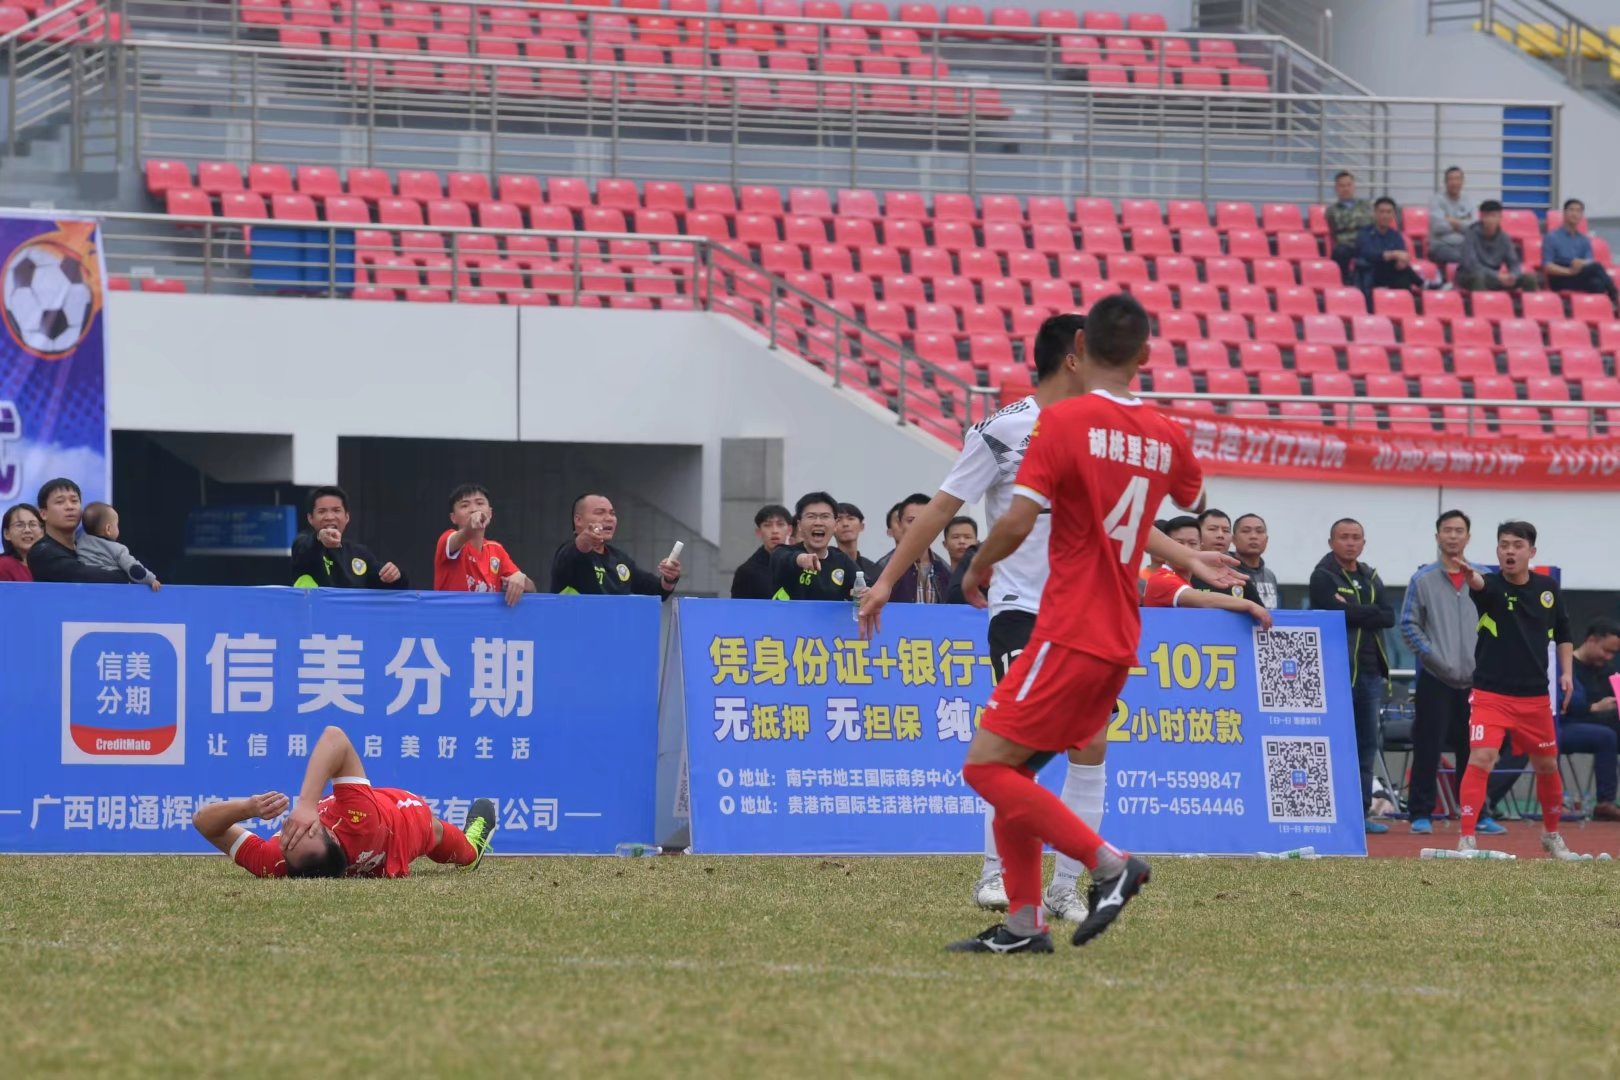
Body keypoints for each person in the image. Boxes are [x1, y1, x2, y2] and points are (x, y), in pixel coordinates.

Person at [946, 293, 1243, 955]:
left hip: (1066, 626)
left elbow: (1018, 520)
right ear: (1145, 354)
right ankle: (1024, 924)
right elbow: (1190, 496)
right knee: (1017, 772)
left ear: (1080, 350)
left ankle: (1109, 864)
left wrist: (975, 567)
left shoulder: (1062, 422)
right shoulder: (1165, 432)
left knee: (985, 768)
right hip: (1119, 634)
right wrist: (1187, 553)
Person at [861, 313, 1119, 923]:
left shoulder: (1105, 429)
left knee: (1091, 743)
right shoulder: (1003, 430)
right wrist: (887, 580)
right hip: (1022, 610)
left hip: (1087, 615)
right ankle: (994, 874)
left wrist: (1185, 563)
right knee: (1017, 751)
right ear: (1073, 358)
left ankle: (1065, 888)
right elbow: (939, 509)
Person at [194, 724, 498, 878]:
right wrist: (306, 805)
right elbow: (335, 737)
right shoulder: (359, 817)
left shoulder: (274, 862)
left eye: (287, 840)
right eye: (304, 832)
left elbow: (203, 822)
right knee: (441, 835)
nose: (290, 828)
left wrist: (247, 808)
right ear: (331, 832)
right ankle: (473, 849)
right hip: (403, 824)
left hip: (371, 824)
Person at [1454, 521, 1582, 859]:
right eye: (1504, 545)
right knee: (1482, 757)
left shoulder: (1547, 588)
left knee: (1547, 765)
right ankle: (1467, 838)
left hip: (1535, 697)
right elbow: (1480, 585)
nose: (1509, 551)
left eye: (1517, 545)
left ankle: (1551, 835)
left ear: (1531, 552)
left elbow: (1564, 632)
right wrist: (1471, 577)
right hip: (1490, 695)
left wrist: (1567, 674)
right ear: (1497, 551)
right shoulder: (1490, 585)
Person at [1399, 510, 1504, 837]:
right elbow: (1408, 624)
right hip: (1436, 677)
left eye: (1459, 531)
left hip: (1478, 680)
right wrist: (1433, 656)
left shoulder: (1486, 577)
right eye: (1447, 530)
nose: (1453, 536)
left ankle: (1478, 813)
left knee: (1475, 750)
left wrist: (1487, 660)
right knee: (1427, 747)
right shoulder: (1422, 579)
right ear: (1437, 536)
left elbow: (1503, 623)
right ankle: (1420, 813)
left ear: (1468, 537)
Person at [1308, 518, 1395, 834]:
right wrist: (1367, 611)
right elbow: (1334, 613)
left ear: (1363, 542)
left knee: (1366, 746)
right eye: (1344, 537)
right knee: (1334, 745)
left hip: (1370, 675)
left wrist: (1355, 609)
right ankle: (1329, 812)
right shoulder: (1323, 576)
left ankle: (1360, 814)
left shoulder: (1370, 576)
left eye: (1356, 537)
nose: (1350, 542)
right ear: (1331, 542)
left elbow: (1389, 616)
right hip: (1336, 673)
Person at [1142, 516, 1272, 627]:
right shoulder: (1161, 579)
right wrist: (1249, 605)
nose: (1186, 549)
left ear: (1201, 546)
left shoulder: (1186, 580)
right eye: (1179, 543)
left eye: (1192, 543)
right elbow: (1206, 600)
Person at [551, 493, 680, 601]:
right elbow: (575, 551)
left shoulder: (620, 560)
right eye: (600, 512)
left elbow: (658, 591)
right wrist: (585, 539)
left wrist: (670, 578)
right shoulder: (568, 554)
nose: (609, 518)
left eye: (612, 513)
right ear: (578, 520)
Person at [1551, 619, 1620, 821]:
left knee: (1609, 733)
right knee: (1606, 736)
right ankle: (1605, 802)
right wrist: (1594, 707)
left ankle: (1607, 803)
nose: (1608, 657)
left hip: (1599, 725)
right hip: (1564, 725)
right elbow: (1563, 704)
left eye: (1613, 653)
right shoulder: (1566, 667)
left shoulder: (1607, 671)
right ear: (1591, 640)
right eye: (1606, 650)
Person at [432, 483, 534, 606]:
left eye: (480, 503)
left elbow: (532, 589)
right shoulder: (447, 540)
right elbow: (463, 534)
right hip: (452, 616)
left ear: (490, 513)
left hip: (487, 618)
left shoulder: (496, 550)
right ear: (453, 517)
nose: (474, 509)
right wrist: (471, 526)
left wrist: (521, 578)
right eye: (465, 505)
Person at [291, 485, 407, 589]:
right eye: (322, 511)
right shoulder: (304, 545)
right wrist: (320, 537)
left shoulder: (360, 554)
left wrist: (395, 575)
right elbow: (303, 548)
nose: (330, 517)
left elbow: (390, 584)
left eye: (336, 510)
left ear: (347, 517)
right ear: (310, 518)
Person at [27, 478, 132, 584]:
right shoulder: (41, 552)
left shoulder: (91, 546)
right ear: (43, 514)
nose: (69, 507)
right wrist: (129, 575)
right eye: (60, 502)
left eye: (74, 501)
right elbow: (82, 575)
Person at [770, 491, 860, 601]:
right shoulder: (784, 552)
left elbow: (865, 584)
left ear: (835, 525)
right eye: (811, 516)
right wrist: (800, 559)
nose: (818, 523)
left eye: (825, 516)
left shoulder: (842, 560)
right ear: (799, 525)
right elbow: (780, 558)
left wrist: (863, 591)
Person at [873, 493, 951, 604]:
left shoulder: (945, 570)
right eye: (911, 521)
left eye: (925, 520)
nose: (918, 526)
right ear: (900, 524)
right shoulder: (883, 567)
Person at [1543, 198, 1618, 304]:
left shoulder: (1584, 240)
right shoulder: (1552, 237)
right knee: (1597, 267)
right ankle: (1615, 296)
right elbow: (1547, 266)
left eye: (1578, 211)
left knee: (1597, 283)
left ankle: (1600, 309)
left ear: (1581, 215)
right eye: (1571, 210)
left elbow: (1589, 260)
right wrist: (1569, 271)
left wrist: (1581, 263)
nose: (1575, 214)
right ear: (1564, 213)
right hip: (1560, 276)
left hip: (1578, 274)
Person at [1457, 200, 1537, 293]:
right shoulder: (1470, 234)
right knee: (1479, 277)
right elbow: (1471, 265)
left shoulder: (1504, 237)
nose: (1491, 220)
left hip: (1495, 277)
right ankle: (1483, 302)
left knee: (1529, 278)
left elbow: (1514, 263)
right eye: (1488, 216)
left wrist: (1512, 275)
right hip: (1470, 275)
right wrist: (1497, 275)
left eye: (1494, 216)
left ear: (1500, 218)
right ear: (1482, 217)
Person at [78, 502, 160, 591]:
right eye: (117, 525)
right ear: (108, 529)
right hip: (112, 589)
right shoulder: (118, 549)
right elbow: (134, 569)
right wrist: (150, 579)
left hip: (85, 588)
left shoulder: (79, 542)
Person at [1194, 508, 1263, 607]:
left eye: (1226, 530)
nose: (1220, 535)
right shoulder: (1185, 573)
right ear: (1197, 534)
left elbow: (1261, 612)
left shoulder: (1239, 579)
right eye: (1212, 529)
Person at [1356, 197, 1424, 295]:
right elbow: (1369, 254)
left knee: (1402, 278)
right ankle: (1421, 284)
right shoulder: (1365, 233)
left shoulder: (1395, 235)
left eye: (1389, 212)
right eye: (1382, 212)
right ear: (1375, 213)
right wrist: (1393, 255)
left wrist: (1401, 261)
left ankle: (1416, 289)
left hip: (1392, 273)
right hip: (1372, 272)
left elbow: (1402, 254)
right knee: (1394, 268)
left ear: (1393, 215)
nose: (1385, 215)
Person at [730, 503, 793, 600]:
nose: (774, 531)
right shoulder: (746, 572)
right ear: (759, 532)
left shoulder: (799, 563)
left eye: (780, 524)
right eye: (767, 525)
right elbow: (739, 608)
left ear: (789, 530)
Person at [1325, 171, 1374, 284]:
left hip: (1365, 243)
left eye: (1349, 185)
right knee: (1340, 252)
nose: (1346, 189)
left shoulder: (1366, 206)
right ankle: (1344, 282)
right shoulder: (1331, 210)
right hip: (1346, 244)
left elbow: (1372, 224)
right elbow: (1334, 230)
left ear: (1354, 186)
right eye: (1342, 186)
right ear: (1336, 189)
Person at [1231, 513, 1281, 610]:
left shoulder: (1270, 575)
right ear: (1233, 539)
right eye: (1246, 531)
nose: (1253, 536)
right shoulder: (1227, 572)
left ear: (1266, 540)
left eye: (1259, 531)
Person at [1428, 166, 1472, 273]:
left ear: (1462, 182)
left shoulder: (1468, 201)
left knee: (1477, 257)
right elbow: (1438, 227)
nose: (1454, 182)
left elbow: (1472, 228)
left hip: (1463, 245)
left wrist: (1450, 220)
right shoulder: (1436, 200)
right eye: (1451, 179)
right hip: (1440, 246)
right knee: (1460, 258)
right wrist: (1462, 222)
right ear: (1445, 182)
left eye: (1457, 179)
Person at [833, 502, 878, 578]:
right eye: (838, 520)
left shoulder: (872, 568)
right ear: (831, 528)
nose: (845, 524)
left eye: (851, 518)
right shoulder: (824, 564)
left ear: (862, 526)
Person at [0, 503, 42, 582]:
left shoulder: (50, 564)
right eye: (19, 525)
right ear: (6, 534)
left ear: (42, 531)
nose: (27, 530)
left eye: (33, 524)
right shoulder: (2, 566)